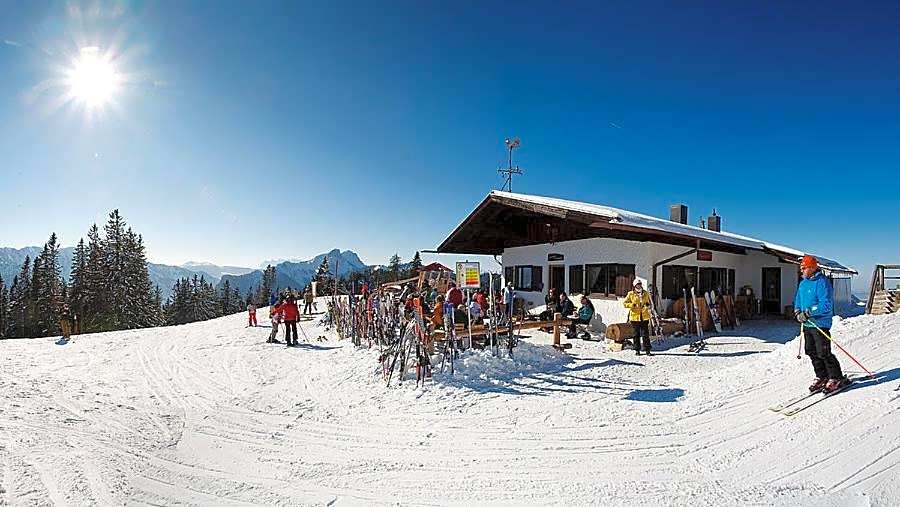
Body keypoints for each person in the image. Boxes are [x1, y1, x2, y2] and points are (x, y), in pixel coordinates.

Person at [794, 255, 847, 393]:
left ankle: (836, 377)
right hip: (807, 324)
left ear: (812, 268)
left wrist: (808, 312)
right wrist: (797, 311)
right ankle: (822, 376)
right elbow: (798, 300)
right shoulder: (803, 283)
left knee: (823, 352)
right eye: (801, 268)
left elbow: (826, 304)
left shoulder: (822, 282)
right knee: (810, 351)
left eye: (803, 268)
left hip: (820, 324)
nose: (801, 270)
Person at [623, 278, 652, 355]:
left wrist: (648, 305)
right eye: (637, 285)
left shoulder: (645, 293)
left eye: (640, 284)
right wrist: (632, 305)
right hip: (635, 317)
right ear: (634, 286)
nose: (639, 286)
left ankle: (647, 349)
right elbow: (625, 303)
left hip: (644, 316)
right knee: (636, 334)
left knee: (645, 334)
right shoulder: (631, 294)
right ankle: (637, 349)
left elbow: (649, 303)